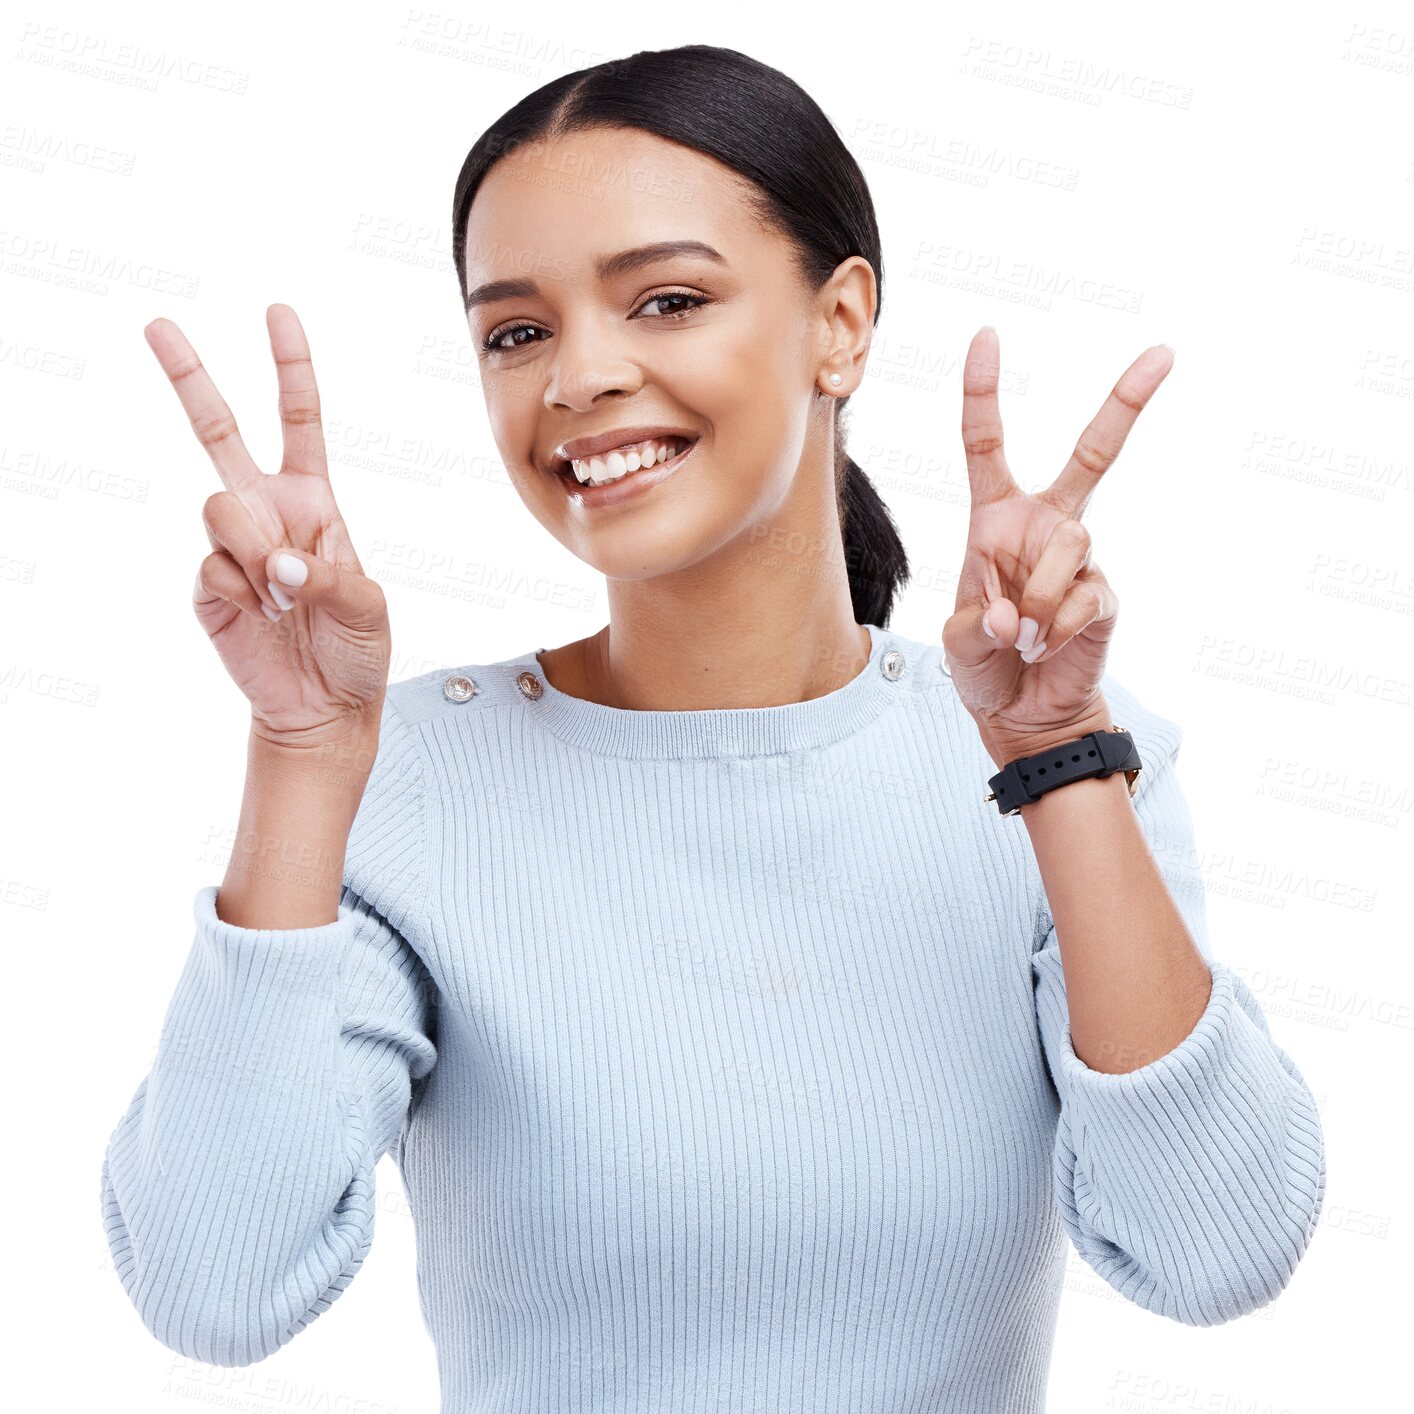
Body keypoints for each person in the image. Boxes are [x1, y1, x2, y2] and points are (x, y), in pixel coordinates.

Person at [99, 44, 1325, 1413]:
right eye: (516, 330)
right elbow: (214, 1285)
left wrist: (1054, 750)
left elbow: (1215, 1251)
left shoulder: (1068, 763)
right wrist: (305, 754)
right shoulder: (410, 780)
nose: (579, 375)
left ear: (840, 323)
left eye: (665, 300)